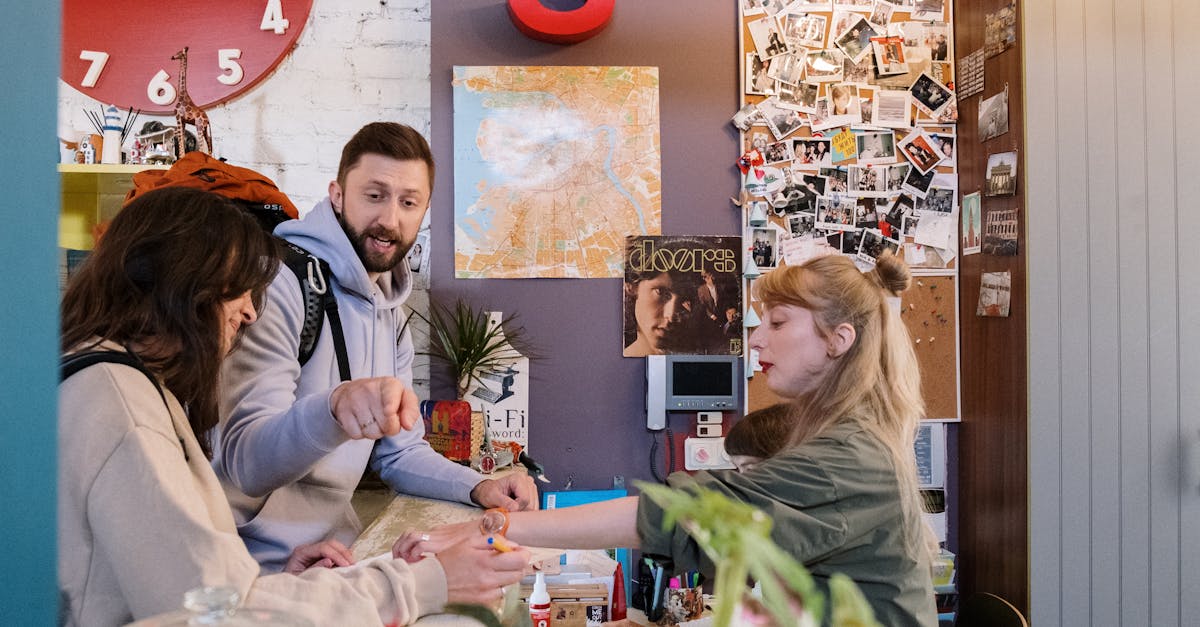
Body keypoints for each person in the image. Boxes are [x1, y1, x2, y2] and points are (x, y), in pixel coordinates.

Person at [58, 187, 530, 626]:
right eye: (237, 290)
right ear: (189, 286)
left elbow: (189, 589)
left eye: (410, 201)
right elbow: (217, 615)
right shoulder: (125, 406)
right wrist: (424, 583)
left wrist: (274, 584)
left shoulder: (116, 382)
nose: (248, 312)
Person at [396, 252, 937, 626]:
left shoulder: (851, 457)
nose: (755, 337)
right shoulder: (843, 438)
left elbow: (679, 515)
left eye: (777, 321)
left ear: (837, 340)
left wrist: (497, 530)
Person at [211, 122, 538, 573]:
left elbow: (399, 452)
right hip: (254, 571)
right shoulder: (280, 284)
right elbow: (247, 465)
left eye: (409, 202)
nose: (390, 220)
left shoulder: (390, 311)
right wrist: (333, 409)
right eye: (374, 195)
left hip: (337, 560)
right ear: (337, 195)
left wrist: (480, 486)